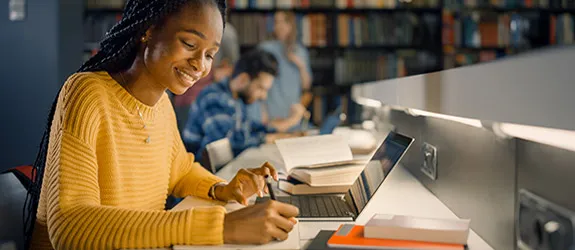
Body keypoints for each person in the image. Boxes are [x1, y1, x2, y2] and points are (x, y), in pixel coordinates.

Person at [23, 1, 299, 249]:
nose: (200, 66)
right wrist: (221, 227)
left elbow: (179, 171)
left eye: (210, 54)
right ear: (148, 30)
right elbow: (71, 225)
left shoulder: (162, 104)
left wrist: (222, 188)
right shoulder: (87, 94)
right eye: (190, 45)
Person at [182, 49, 299, 161]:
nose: (263, 96)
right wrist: (267, 139)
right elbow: (225, 145)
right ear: (243, 79)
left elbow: (247, 128)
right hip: (201, 173)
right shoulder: (214, 98)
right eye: (261, 88)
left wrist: (278, 130)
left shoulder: (236, 99)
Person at [246, 10, 313, 132]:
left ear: (291, 25)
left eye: (284, 22)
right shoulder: (265, 49)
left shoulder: (300, 51)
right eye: (277, 22)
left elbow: (306, 86)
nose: (280, 26)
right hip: (272, 114)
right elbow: (256, 83)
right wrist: (261, 110)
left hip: (293, 115)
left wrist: (301, 66)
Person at [172, 11, 240, 131]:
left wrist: (216, 73)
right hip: (183, 98)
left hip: (205, 98)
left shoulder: (226, 33)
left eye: (209, 54)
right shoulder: (184, 25)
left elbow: (233, 69)